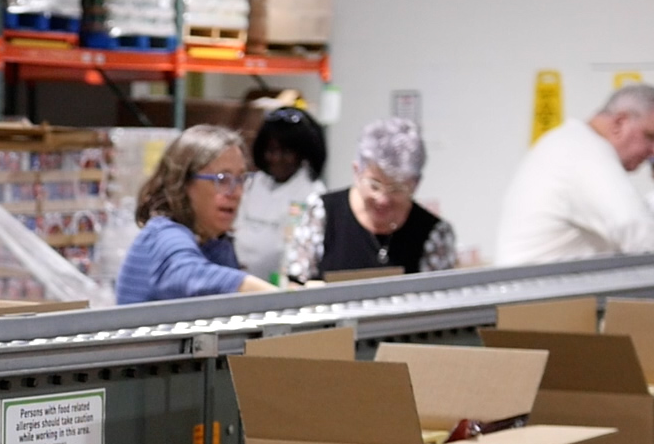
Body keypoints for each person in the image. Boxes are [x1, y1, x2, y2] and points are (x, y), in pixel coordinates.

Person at [495, 83, 654, 265]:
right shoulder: (584, 150)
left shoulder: (568, 141)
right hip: (543, 287)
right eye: (651, 136)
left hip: (541, 284)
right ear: (620, 123)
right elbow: (637, 229)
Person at [282, 118, 456, 284]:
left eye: (396, 189)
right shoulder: (321, 212)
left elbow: (439, 301)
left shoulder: (434, 233)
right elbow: (295, 286)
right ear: (357, 172)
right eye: (374, 185)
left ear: (415, 184)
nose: (383, 199)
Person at [115, 125, 276, 303]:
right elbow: (187, 273)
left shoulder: (216, 242)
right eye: (222, 179)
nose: (236, 192)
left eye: (241, 179)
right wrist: (258, 289)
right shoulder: (164, 234)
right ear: (183, 183)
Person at [237, 106, 328, 283]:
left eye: (286, 152)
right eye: (271, 150)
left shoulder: (314, 194)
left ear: (303, 153)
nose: (277, 158)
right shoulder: (250, 184)